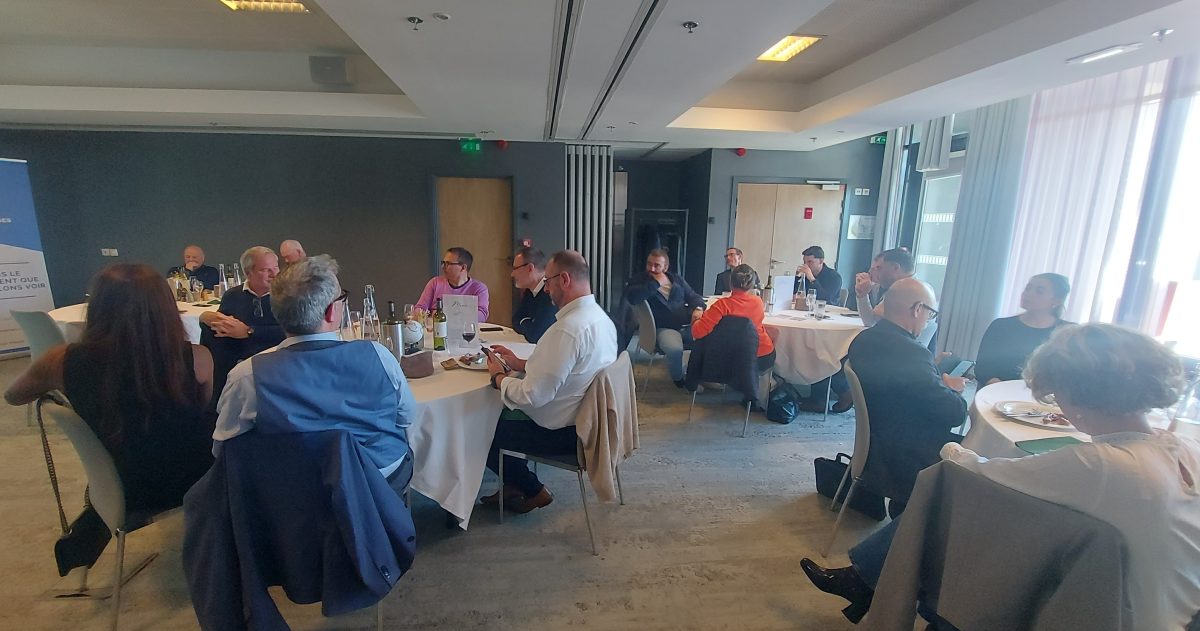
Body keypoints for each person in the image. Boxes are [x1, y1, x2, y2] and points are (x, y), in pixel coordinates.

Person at [801, 324, 1200, 630]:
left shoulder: (1101, 466)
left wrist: (953, 449)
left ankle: (885, 585)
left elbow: (982, 472)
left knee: (952, 488)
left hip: (1115, 614)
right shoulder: (1182, 449)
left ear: (1075, 395)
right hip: (1172, 610)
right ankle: (873, 581)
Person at [5, 263, 215, 571]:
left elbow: (13, 396)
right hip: (187, 481)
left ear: (98, 307)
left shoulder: (59, 361)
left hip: (118, 481)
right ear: (165, 309)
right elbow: (201, 409)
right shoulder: (197, 358)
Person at [213, 254, 417, 494]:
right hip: (380, 477)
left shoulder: (247, 375)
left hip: (295, 492)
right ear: (331, 312)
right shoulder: (379, 355)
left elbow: (224, 449)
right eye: (341, 298)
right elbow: (406, 417)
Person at [482, 250, 617, 513]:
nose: (546, 289)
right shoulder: (600, 318)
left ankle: (533, 489)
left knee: (483, 429)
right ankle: (514, 483)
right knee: (499, 416)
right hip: (588, 421)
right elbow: (569, 368)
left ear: (564, 279)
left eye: (549, 282)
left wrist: (499, 378)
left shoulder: (567, 330)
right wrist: (521, 363)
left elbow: (533, 396)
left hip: (563, 431)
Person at [846, 278, 966, 514]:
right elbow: (954, 414)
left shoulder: (863, 340)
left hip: (874, 443)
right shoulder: (912, 353)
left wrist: (933, 376)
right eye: (930, 313)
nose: (929, 320)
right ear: (917, 309)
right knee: (979, 452)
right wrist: (953, 389)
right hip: (907, 454)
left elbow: (906, 385)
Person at [199, 246, 286, 400]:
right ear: (248, 272)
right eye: (266, 270)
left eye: (276, 267)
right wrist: (207, 318)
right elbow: (221, 330)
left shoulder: (288, 296)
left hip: (276, 366)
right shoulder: (232, 295)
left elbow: (293, 331)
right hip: (236, 367)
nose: (274, 274)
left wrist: (249, 332)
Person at [623, 249, 706, 388]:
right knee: (675, 350)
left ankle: (704, 376)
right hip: (663, 328)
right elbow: (632, 297)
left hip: (688, 325)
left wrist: (698, 308)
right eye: (649, 264)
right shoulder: (640, 281)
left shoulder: (676, 279)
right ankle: (680, 380)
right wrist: (656, 284)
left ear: (666, 267)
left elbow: (694, 296)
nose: (651, 269)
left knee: (711, 340)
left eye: (657, 265)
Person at [974, 273, 1071, 385]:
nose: (1027, 294)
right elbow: (983, 368)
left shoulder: (1067, 332)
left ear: (1057, 301)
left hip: (1046, 393)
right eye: (1028, 288)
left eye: (1039, 291)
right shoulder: (1001, 326)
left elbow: (1071, 374)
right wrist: (1001, 389)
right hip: (998, 390)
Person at [692, 264, 775, 372]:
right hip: (764, 356)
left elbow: (697, 332)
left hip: (734, 359)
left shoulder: (722, 305)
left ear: (730, 283)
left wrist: (696, 319)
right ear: (751, 285)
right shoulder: (758, 302)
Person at [854, 248, 937, 348]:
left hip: (907, 351)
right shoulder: (896, 288)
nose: (872, 273)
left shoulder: (918, 293)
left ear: (895, 268)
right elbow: (871, 321)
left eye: (879, 268)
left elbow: (872, 322)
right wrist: (862, 295)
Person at [415, 246, 490, 322]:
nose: (443, 267)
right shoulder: (435, 283)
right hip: (436, 327)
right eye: (443, 263)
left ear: (463, 267)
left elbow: (482, 315)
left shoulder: (479, 288)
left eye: (448, 263)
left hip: (465, 328)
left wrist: (442, 314)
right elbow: (420, 308)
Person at [510, 246, 557, 343]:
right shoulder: (530, 291)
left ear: (530, 268)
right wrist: (529, 322)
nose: (512, 274)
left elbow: (535, 335)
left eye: (515, 268)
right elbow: (515, 320)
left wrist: (524, 321)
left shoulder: (550, 294)